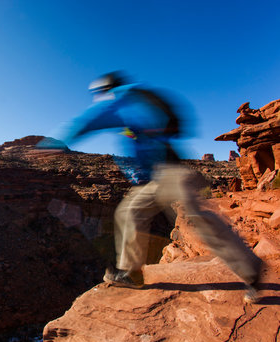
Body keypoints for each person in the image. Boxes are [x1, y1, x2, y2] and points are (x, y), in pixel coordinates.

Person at [35, 71, 263, 303]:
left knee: (198, 220)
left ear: (106, 89)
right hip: (154, 178)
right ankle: (131, 273)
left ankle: (251, 270)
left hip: (169, 172)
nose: (96, 98)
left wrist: (53, 143)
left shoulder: (118, 99)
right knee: (128, 213)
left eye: (97, 93)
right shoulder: (140, 97)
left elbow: (86, 121)